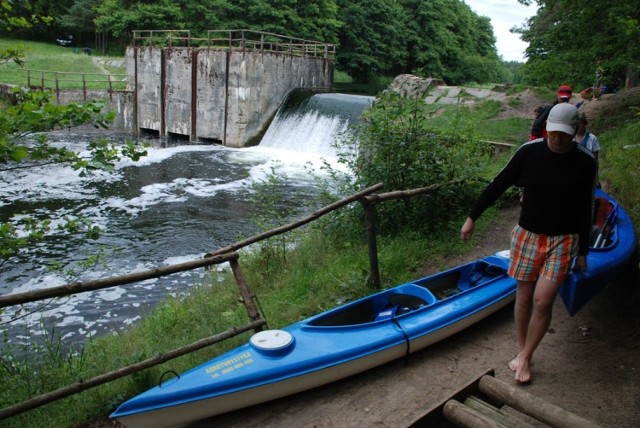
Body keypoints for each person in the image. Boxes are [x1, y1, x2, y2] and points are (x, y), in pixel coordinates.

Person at [460, 103, 597, 384]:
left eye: (564, 135)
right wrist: (472, 216)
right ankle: (524, 352)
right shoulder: (529, 152)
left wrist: (583, 250)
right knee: (523, 297)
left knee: (543, 300)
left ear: (575, 133)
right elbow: (498, 184)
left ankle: (524, 356)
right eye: (553, 132)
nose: (558, 139)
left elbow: (586, 207)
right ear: (547, 129)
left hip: (564, 239)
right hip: (528, 235)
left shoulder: (585, 162)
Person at [574, 112, 601, 186]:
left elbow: (595, 161)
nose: (578, 126)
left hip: (587, 173)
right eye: (576, 124)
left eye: (580, 123)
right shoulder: (570, 138)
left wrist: (596, 179)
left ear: (584, 123)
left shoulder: (592, 138)